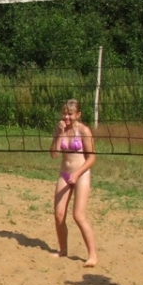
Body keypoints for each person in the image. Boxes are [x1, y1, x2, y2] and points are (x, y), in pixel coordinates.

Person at [50, 99, 98, 267]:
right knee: (58, 215)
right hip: (64, 174)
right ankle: (63, 250)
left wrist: (77, 174)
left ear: (78, 114)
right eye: (64, 113)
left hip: (81, 174)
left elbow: (92, 158)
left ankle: (92, 255)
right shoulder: (60, 128)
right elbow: (54, 154)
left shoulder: (84, 131)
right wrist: (60, 134)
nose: (66, 117)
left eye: (70, 114)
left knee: (78, 215)